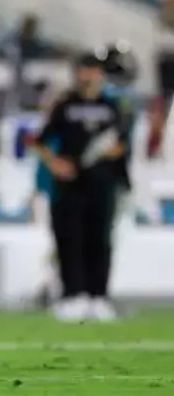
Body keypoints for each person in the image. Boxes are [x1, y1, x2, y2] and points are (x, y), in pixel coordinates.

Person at [33, 52, 130, 323]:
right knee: (69, 240)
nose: (88, 76)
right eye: (83, 70)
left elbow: (123, 141)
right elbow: (40, 140)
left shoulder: (114, 106)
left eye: (93, 71)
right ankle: (72, 296)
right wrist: (55, 164)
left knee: (100, 240)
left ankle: (98, 297)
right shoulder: (65, 105)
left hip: (102, 183)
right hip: (69, 185)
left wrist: (115, 150)